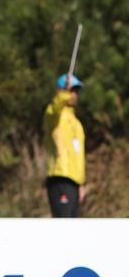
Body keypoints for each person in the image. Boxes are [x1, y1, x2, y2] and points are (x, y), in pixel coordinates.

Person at [42, 73, 86, 217]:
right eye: (71, 90)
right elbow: (55, 107)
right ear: (62, 91)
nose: (73, 95)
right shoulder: (53, 115)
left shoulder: (76, 123)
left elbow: (78, 156)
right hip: (60, 178)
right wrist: (63, 94)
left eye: (75, 91)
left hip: (74, 182)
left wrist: (81, 183)